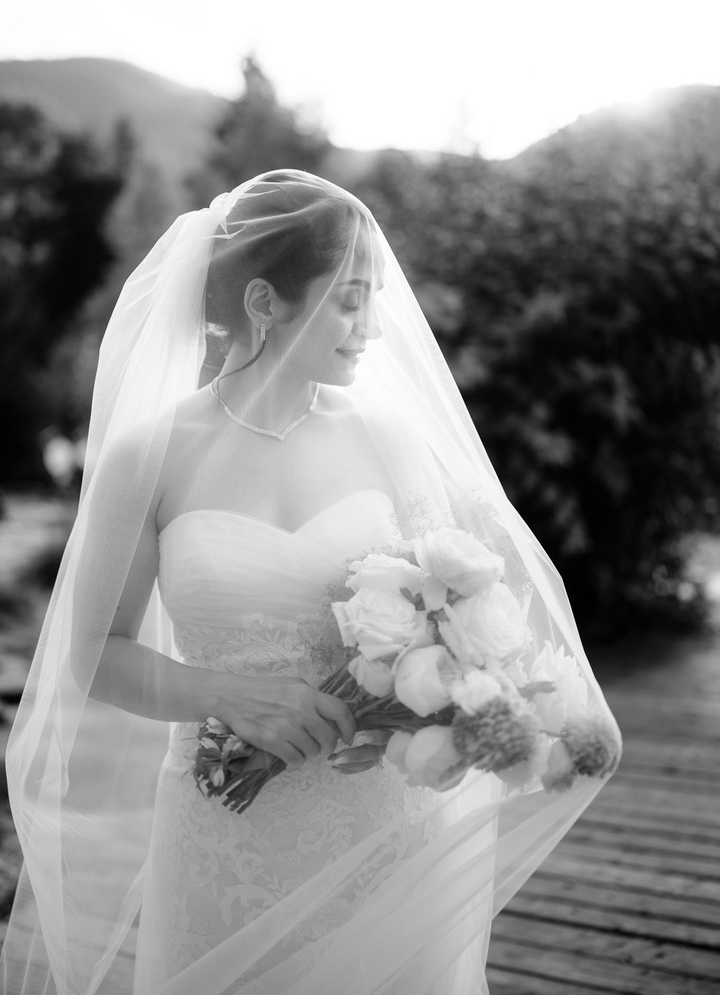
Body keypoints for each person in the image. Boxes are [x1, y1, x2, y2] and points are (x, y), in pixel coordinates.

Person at [1, 171, 621, 995]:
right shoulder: (148, 455)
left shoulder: (387, 438)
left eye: (373, 299)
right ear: (265, 302)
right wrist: (228, 692)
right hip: (226, 826)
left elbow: (459, 613)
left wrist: (477, 701)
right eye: (349, 300)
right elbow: (93, 655)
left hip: (383, 821)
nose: (372, 327)